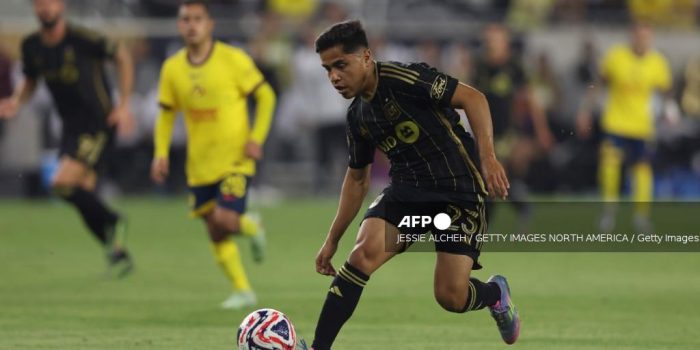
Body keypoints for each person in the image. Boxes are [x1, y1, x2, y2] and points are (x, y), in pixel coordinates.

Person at [309, 20, 519, 350]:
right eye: (327, 69)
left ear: (365, 56)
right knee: (362, 256)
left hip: (458, 192)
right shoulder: (358, 117)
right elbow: (358, 178)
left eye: (340, 65)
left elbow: (474, 98)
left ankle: (495, 294)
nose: (334, 76)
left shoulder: (403, 79)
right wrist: (331, 239)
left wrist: (489, 158)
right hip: (409, 194)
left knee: (450, 296)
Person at [150, 0, 276, 310]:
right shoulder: (172, 68)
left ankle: (251, 226)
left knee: (225, 218)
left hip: (235, 159)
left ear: (209, 24)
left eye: (197, 19)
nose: (191, 25)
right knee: (215, 229)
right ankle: (243, 290)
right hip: (200, 165)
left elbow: (266, 96)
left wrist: (256, 138)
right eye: (185, 19)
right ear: (179, 26)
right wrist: (160, 153)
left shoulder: (233, 59)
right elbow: (166, 115)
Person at [0, 0, 134, 276]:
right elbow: (30, 80)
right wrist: (16, 101)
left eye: (49, 2)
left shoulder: (83, 39)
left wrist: (123, 105)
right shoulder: (32, 46)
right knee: (82, 192)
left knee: (61, 183)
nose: (45, 8)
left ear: (61, 5)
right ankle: (115, 248)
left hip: (98, 123)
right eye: (39, 4)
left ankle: (114, 221)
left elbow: (122, 55)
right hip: (71, 129)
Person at [577, 22, 674, 232]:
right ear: (632, 36)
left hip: (642, 126)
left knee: (642, 171)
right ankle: (608, 212)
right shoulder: (616, 57)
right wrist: (585, 110)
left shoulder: (657, 62)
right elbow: (599, 84)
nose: (642, 40)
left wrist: (671, 110)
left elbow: (666, 90)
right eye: (639, 36)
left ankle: (641, 217)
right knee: (610, 166)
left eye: (646, 36)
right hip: (616, 123)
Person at [472, 23, 553, 227]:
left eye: (495, 39)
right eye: (488, 39)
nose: (490, 43)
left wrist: (541, 130)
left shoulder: (515, 67)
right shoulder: (480, 66)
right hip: (485, 132)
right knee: (489, 178)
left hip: (508, 132)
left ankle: (502, 215)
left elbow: (531, 99)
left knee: (494, 174)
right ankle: (519, 207)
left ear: (504, 42)